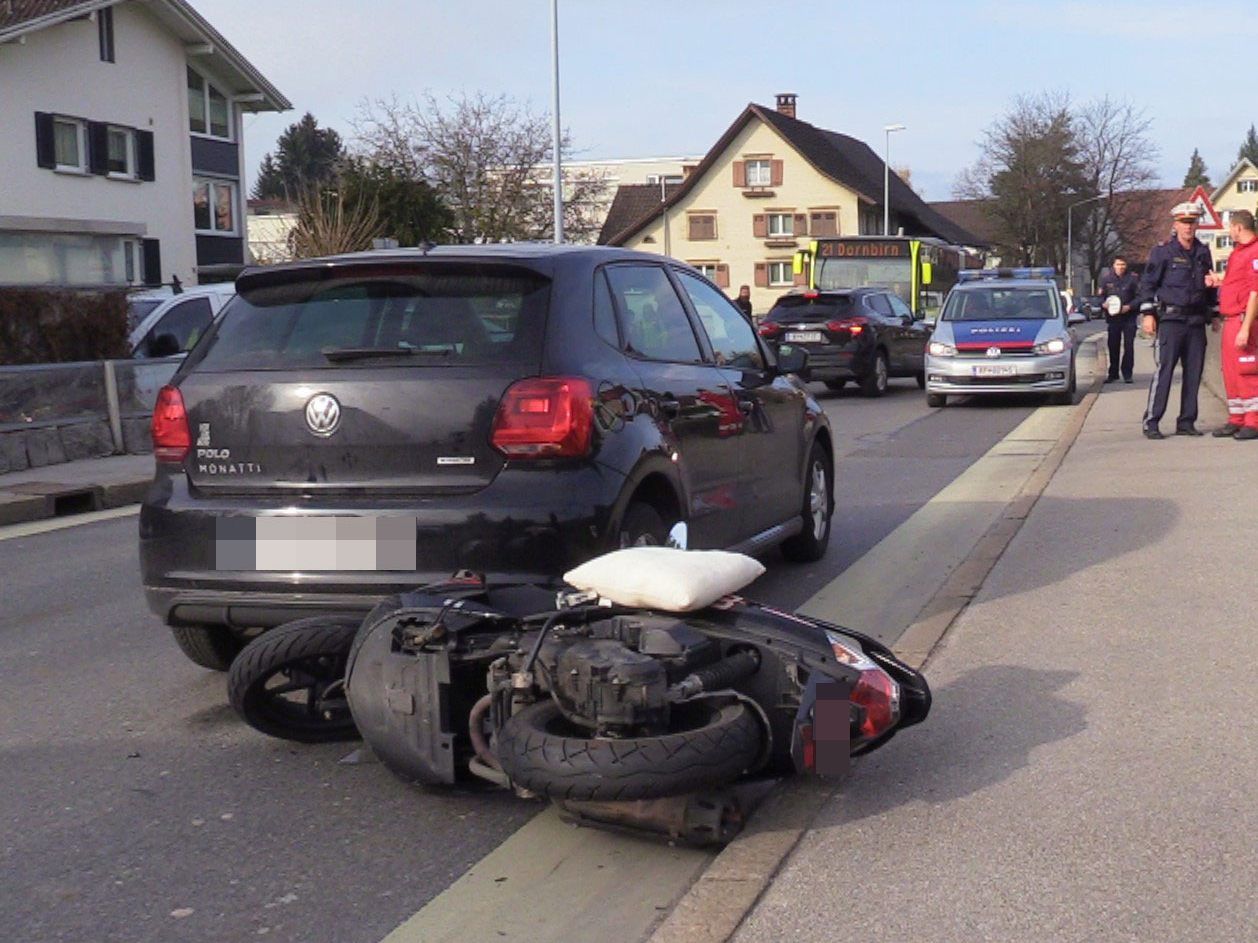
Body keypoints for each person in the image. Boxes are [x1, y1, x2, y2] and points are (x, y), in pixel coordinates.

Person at [1137, 202, 1217, 439]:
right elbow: (1148, 284)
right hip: (1171, 319)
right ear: (1175, 224)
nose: (1188, 227)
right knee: (1165, 372)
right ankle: (1152, 421)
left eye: (1192, 222)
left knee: (1194, 373)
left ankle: (1186, 421)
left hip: (1195, 320)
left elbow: (1209, 286)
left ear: (1197, 225)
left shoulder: (1203, 252)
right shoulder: (1163, 252)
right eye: (1184, 222)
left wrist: (1214, 313)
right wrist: (1148, 314)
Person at [1205, 209, 1258, 439]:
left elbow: (1255, 292)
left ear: (1238, 227)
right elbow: (1236, 282)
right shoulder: (1238, 252)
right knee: (1231, 371)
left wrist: (1246, 327)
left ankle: (1253, 420)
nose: (1229, 231)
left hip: (1243, 318)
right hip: (1231, 319)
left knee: (1247, 370)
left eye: (1230, 227)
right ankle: (1236, 417)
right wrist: (1219, 280)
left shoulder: (1255, 252)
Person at [1099, 255, 1140, 383]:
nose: (1120, 267)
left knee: (1129, 346)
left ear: (1126, 265)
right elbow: (1100, 297)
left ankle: (1127, 373)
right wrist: (1103, 304)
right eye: (1118, 264)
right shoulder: (1106, 280)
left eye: (1123, 264)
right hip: (1113, 319)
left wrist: (1130, 306)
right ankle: (1113, 373)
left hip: (1129, 317)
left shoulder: (1133, 279)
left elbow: (1140, 297)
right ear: (1113, 265)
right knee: (1113, 346)